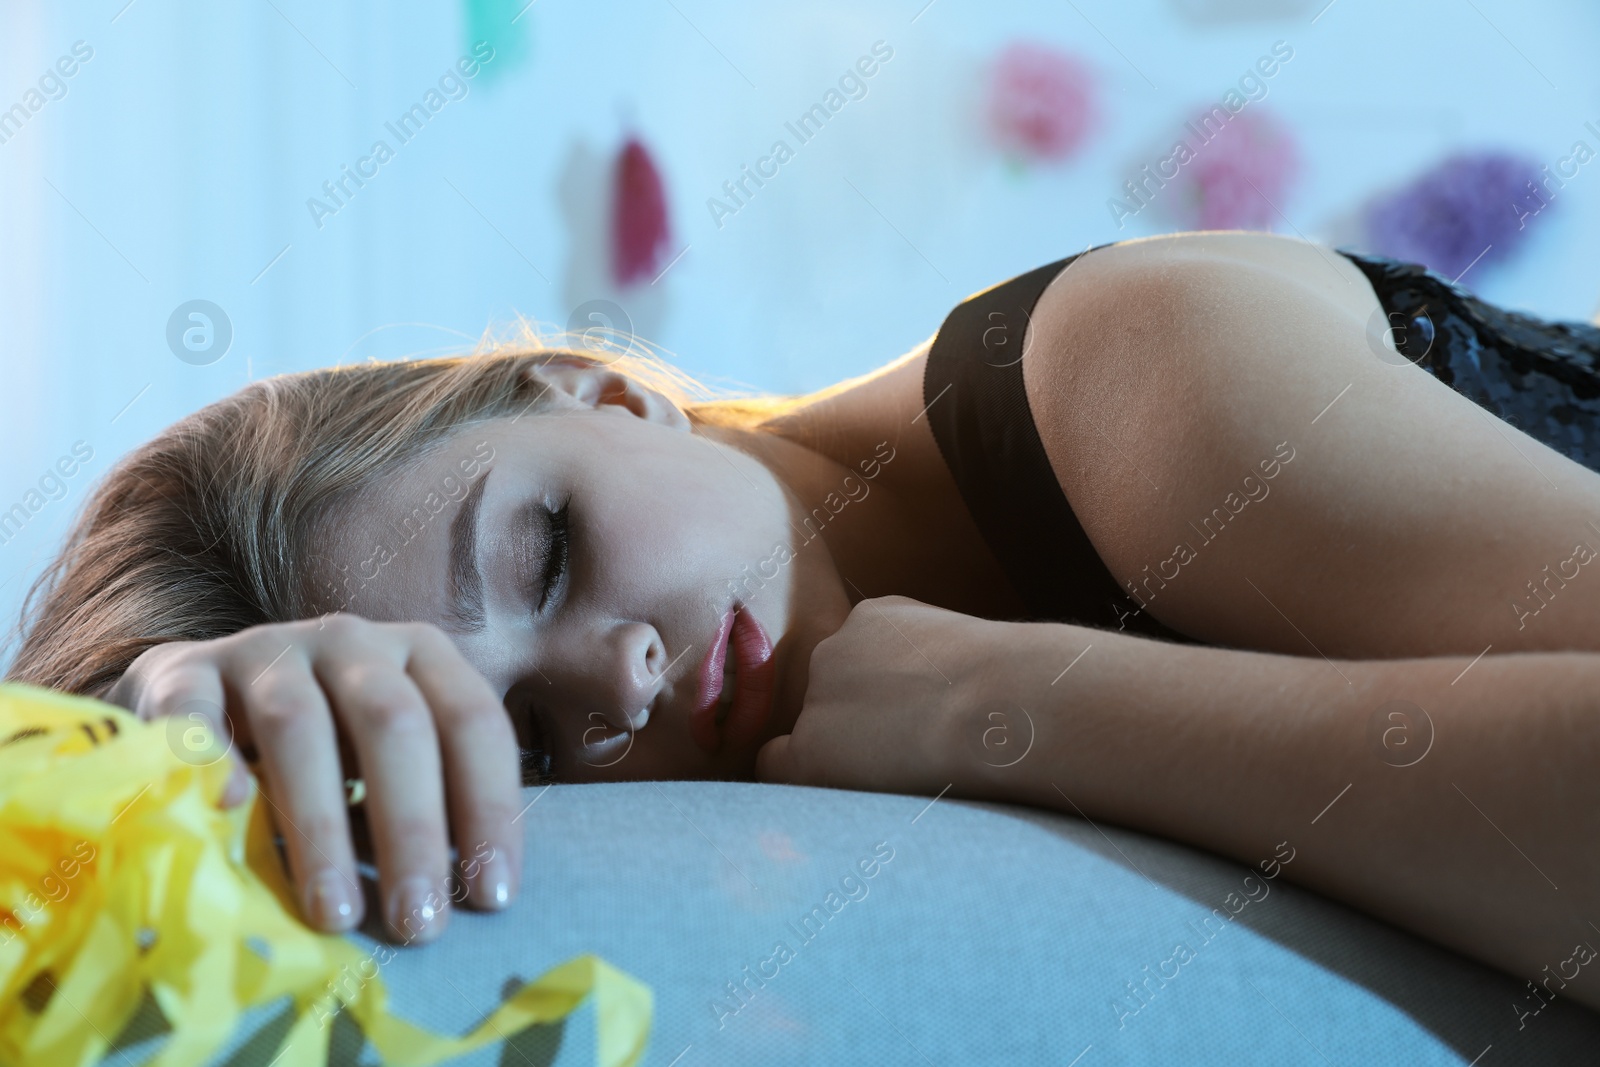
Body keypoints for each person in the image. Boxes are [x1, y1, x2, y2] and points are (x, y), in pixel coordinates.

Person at [9, 231, 1600, 1008]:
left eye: (548, 552)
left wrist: (1016, 707)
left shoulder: (1142, 380)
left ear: (602, 392)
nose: (618, 685)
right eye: (538, 753)